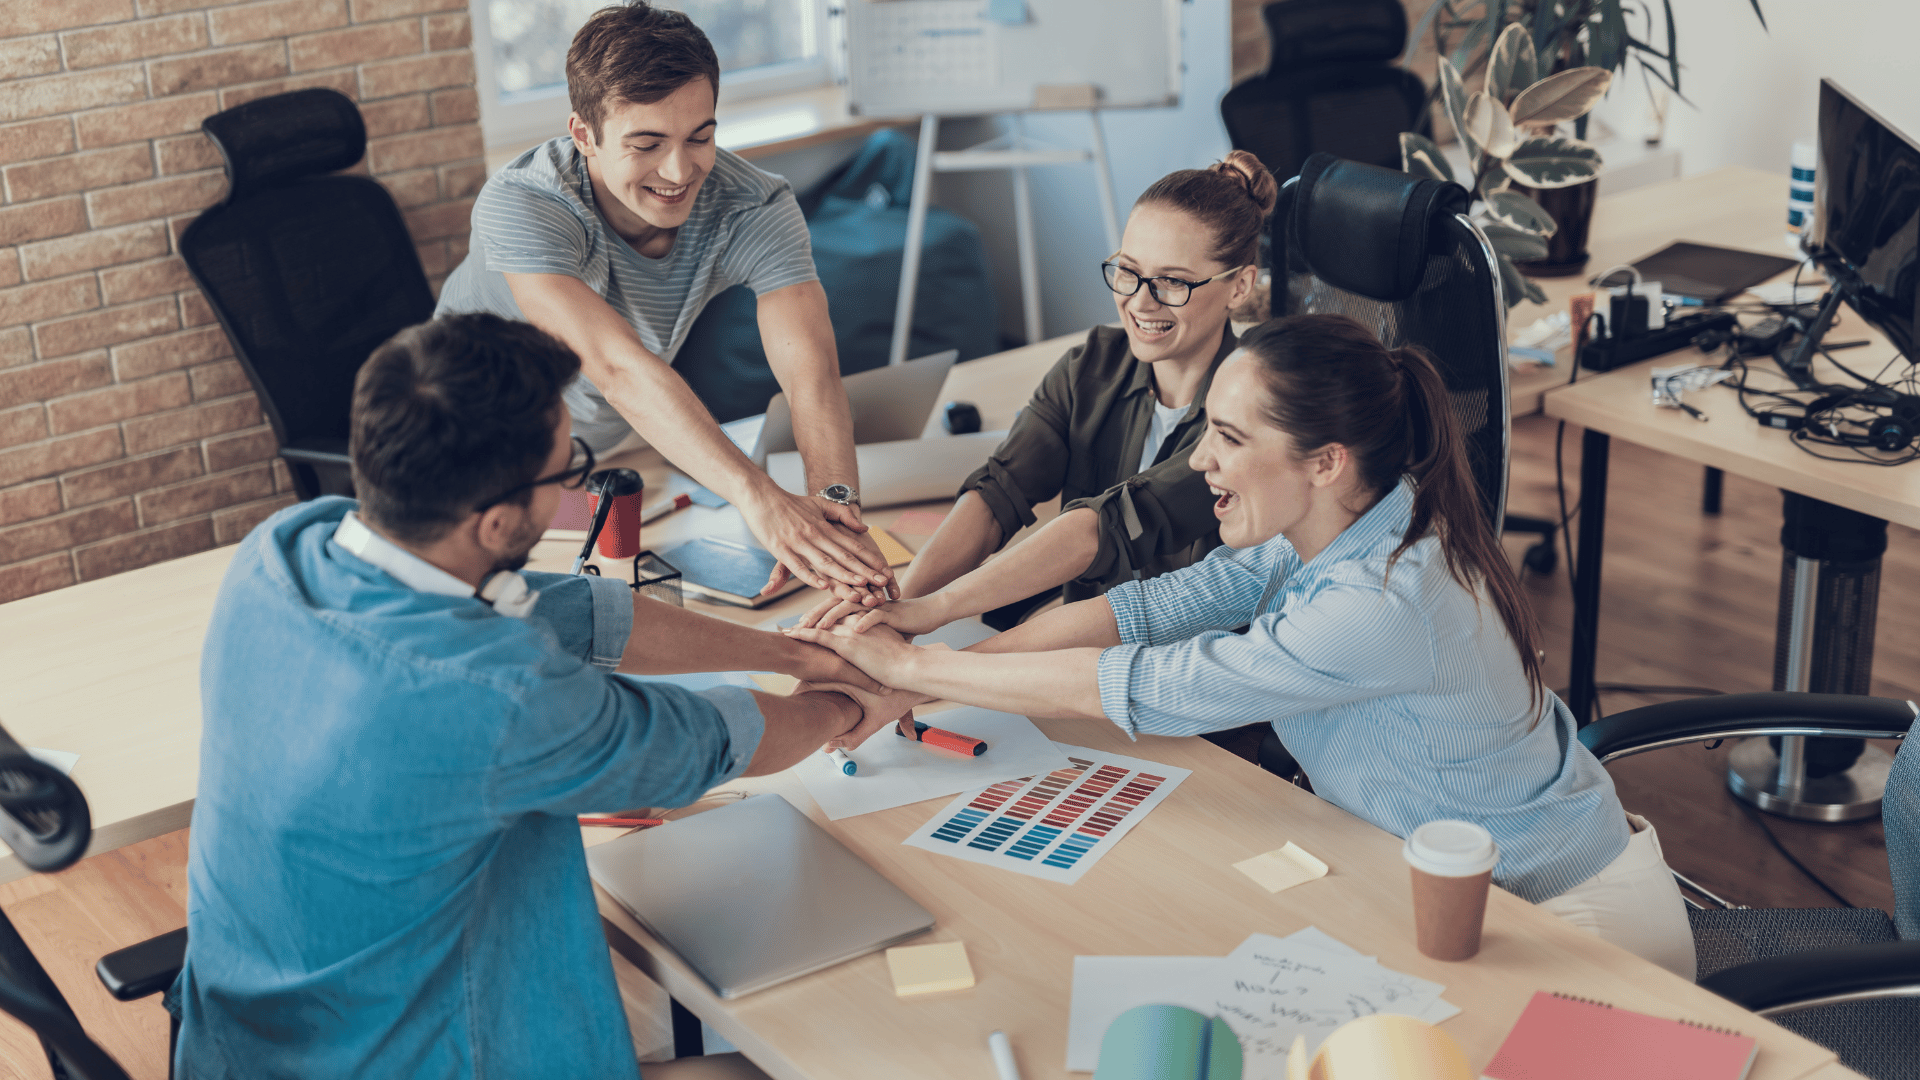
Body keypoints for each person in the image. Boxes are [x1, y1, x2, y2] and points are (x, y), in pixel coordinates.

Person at [788, 314, 1698, 979]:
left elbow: (1158, 684)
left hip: (1578, 927)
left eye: (1228, 438)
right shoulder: (1333, 528)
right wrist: (926, 647)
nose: (1198, 463)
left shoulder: (1380, 600)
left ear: (1325, 460)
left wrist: (918, 671)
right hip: (1456, 884)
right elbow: (1144, 614)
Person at [173, 314, 895, 1079]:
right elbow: (701, 742)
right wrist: (851, 704)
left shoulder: (284, 550)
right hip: (385, 1060)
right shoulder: (495, 697)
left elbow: (567, 612)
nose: (575, 485)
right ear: (492, 522)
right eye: (564, 472)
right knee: (782, 1067)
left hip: (239, 1043)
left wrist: (797, 651)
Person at [437, 1, 892, 604]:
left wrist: (837, 514)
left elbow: (812, 374)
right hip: (464, 463)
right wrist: (759, 497)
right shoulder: (526, 204)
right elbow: (615, 366)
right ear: (584, 136)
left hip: (601, 456)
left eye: (699, 137)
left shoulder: (753, 208)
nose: (679, 170)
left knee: (688, 590)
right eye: (647, 144)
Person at [797, 152, 1273, 635]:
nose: (1138, 301)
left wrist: (931, 613)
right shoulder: (1093, 364)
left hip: (1171, 672)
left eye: (1172, 282)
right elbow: (1000, 491)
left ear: (1239, 287)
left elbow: (1106, 527)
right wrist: (897, 608)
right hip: (1075, 643)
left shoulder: (1249, 411)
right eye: (1128, 271)